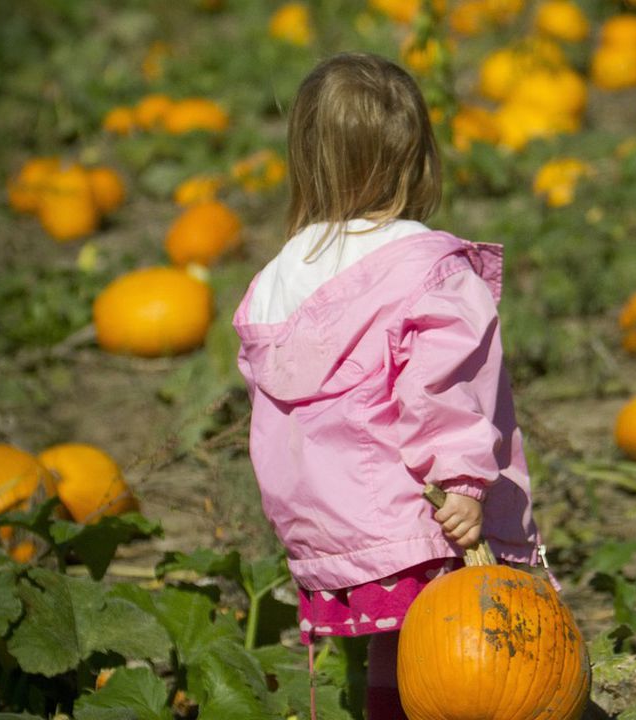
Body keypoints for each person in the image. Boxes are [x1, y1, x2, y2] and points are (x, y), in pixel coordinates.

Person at [232, 51, 542, 720]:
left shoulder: (278, 279)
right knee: (460, 662)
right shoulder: (424, 269)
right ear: (419, 159)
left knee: (395, 659)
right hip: (419, 515)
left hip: (333, 529)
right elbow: (445, 386)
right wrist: (460, 480)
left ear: (306, 160)